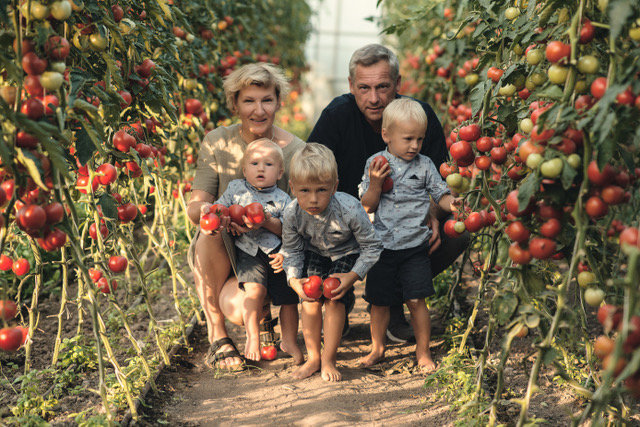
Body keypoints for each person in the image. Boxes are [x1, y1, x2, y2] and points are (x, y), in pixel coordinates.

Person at [308, 43, 469, 342]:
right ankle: (337, 303)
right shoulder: (336, 117)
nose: (374, 98)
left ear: (397, 83)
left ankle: (395, 302)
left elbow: (440, 178)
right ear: (350, 86)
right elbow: (309, 174)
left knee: (455, 234)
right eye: (364, 87)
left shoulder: (418, 117)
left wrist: (433, 213)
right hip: (345, 222)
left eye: (382, 87)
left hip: (404, 225)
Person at [187, 63, 305, 371]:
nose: (258, 109)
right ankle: (218, 336)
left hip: (274, 251)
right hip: (227, 253)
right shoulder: (219, 142)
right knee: (206, 232)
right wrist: (209, 214)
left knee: (245, 307)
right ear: (235, 104)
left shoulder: (295, 152)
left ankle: (270, 321)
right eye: (248, 100)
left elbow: (304, 218)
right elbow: (196, 203)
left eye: (266, 99)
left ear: (279, 102)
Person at [358, 98, 456, 371]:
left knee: (416, 300)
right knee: (378, 303)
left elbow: (440, 194)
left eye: (420, 139)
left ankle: (423, 352)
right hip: (383, 247)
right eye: (408, 138)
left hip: (415, 247)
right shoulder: (375, 164)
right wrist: (376, 184)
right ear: (386, 135)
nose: (415, 145)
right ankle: (377, 349)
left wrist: (454, 204)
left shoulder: (424, 165)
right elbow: (367, 204)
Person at [275, 143, 383, 381]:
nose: (313, 199)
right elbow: (292, 250)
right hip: (315, 253)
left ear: (334, 187)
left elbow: (372, 246)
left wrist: (353, 275)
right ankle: (313, 357)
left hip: (346, 253)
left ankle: (329, 358)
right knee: (310, 299)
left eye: (321, 190)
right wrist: (293, 280)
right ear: (292, 188)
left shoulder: (350, 209)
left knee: (334, 300)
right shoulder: (292, 213)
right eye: (304, 191)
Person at [211, 139, 303, 364]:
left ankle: (289, 339)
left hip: (277, 255)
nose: (261, 168)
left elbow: (288, 232)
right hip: (249, 252)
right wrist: (213, 212)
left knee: (289, 299)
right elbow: (221, 207)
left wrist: (267, 221)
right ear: (244, 169)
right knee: (253, 292)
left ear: (280, 172)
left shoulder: (283, 199)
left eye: (268, 164)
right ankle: (252, 337)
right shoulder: (236, 189)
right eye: (254, 163)